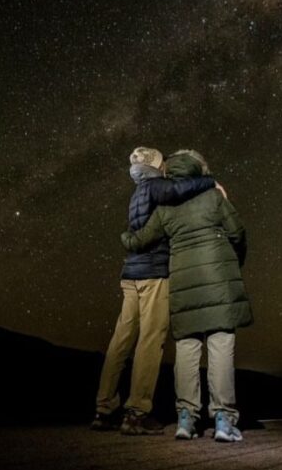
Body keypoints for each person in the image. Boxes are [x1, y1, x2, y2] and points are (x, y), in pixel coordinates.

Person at [120, 149, 252, 443]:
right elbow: (238, 233)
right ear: (199, 169)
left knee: (187, 346)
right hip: (219, 280)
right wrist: (234, 263)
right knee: (220, 342)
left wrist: (125, 237)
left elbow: (141, 239)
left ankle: (186, 418)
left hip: (181, 281)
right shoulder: (215, 196)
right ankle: (223, 419)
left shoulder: (167, 206)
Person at [91, 146, 217, 435]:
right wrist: (210, 182)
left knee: (120, 341)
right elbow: (179, 190)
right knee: (150, 339)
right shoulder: (155, 187)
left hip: (131, 274)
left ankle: (104, 408)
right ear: (156, 167)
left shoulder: (138, 192)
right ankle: (137, 413)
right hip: (153, 274)